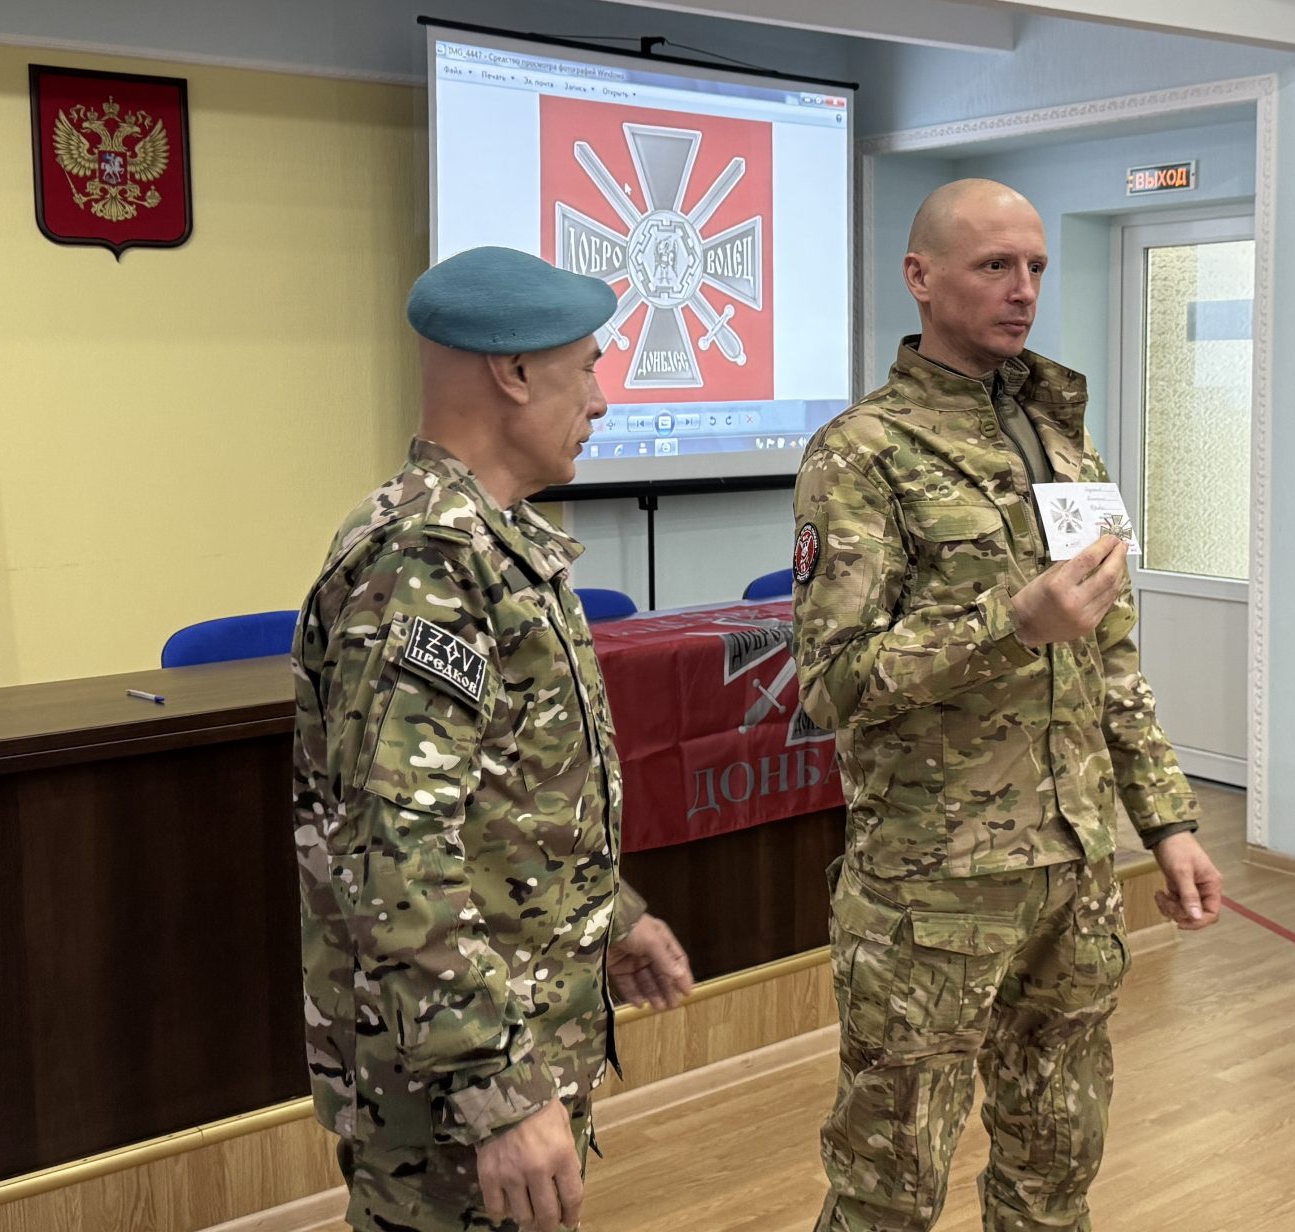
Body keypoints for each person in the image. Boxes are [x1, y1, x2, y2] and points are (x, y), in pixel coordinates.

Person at [791, 180, 1226, 1231]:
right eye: (994, 265)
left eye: (1034, 266)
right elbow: (831, 682)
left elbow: (1111, 659)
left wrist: (1166, 823)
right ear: (920, 277)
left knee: (1056, 1165)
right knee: (889, 1185)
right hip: (934, 887)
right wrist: (1008, 623)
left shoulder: (1065, 444)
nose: (1022, 288)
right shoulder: (862, 453)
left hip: (1072, 870)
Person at [292, 245, 695, 1232]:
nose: (601, 400)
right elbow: (392, 850)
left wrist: (609, 918)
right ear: (513, 373)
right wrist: (497, 1089)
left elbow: (511, 801)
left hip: (503, 1037)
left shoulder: (492, 542)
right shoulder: (424, 560)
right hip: (450, 1089)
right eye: (586, 370)